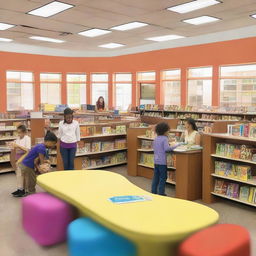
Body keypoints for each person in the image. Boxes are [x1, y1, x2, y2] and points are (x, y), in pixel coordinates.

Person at [18, 131, 57, 197]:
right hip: (27, 165)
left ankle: (27, 191)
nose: (53, 145)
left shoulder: (40, 146)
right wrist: (45, 170)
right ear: (48, 141)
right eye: (53, 143)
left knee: (30, 178)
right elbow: (41, 163)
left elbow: (37, 160)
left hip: (26, 164)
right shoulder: (42, 148)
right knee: (32, 180)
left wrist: (45, 162)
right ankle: (31, 193)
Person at [151, 122, 181, 196]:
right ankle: (161, 192)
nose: (168, 132)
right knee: (163, 177)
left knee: (156, 177)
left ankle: (153, 191)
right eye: (168, 131)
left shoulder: (156, 138)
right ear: (165, 131)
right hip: (162, 162)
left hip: (156, 161)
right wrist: (176, 145)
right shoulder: (164, 138)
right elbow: (167, 149)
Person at [10, 125, 31, 197]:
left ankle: (23, 190)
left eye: (20, 133)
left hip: (24, 158)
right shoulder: (17, 139)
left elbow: (28, 150)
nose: (19, 134)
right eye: (17, 133)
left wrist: (18, 146)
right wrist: (12, 146)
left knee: (23, 175)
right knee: (18, 174)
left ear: (25, 132)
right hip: (18, 157)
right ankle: (20, 189)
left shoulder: (27, 138)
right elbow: (16, 148)